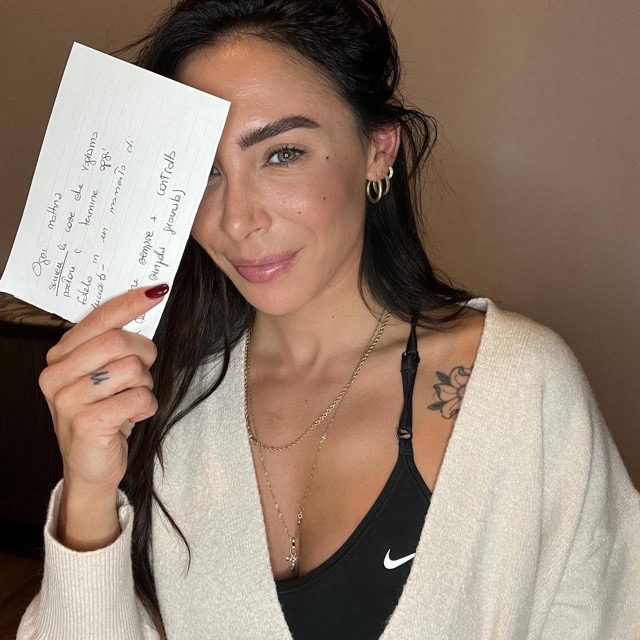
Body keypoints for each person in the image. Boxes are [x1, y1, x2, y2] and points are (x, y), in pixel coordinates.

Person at [17, 0, 640, 638]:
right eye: (205, 170)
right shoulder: (166, 406)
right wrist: (88, 492)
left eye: (282, 154)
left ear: (378, 150)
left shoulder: (519, 388)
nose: (237, 220)